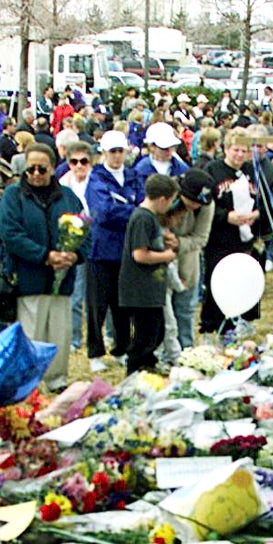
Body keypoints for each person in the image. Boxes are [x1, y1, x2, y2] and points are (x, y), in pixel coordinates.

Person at [0, 141, 84, 390]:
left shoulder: (67, 197)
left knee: (59, 332)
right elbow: (11, 234)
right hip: (30, 278)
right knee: (31, 334)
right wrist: (44, 256)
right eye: (31, 169)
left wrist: (75, 256)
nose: (36, 174)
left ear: (52, 169)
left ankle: (57, 379)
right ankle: (28, 385)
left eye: (42, 169)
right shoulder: (13, 196)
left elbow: (84, 231)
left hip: (62, 279)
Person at [86, 129, 145, 366]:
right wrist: (132, 211)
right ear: (104, 153)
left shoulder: (132, 176)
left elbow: (143, 204)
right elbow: (103, 212)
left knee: (123, 303)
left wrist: (126, 209)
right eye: (113, 152)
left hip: (127, 248)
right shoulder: (96, 178)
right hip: (101, 251)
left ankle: (122, 347)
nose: (117, 156)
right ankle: (95, 352)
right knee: (97, 305)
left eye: (120, 151)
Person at [201, 129, 268, 332]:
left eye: (244, 150)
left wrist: (257, 214)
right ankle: (211, 326)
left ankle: (244, 321)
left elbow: (264, 199)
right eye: (235, 150)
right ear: (226, 149)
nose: (239, 155)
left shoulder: (252, 171)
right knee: (218, 284)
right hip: (221, 239)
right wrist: (225, 217)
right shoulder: (213, 170)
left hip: (247, 238)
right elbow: (205, 204)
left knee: (246, 282)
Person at [119, 174, 179, 375]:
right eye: (170, 201)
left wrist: (163, 239)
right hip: (140, 290)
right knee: (145, 337)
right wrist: (166, 255)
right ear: (162, 198)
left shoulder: (149, 218)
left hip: (151, 290)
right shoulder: (143, 217)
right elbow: (140, 254)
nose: (170, 206)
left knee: (157, 332)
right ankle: (135, 371)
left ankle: (148, 367)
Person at [162, 169, 214, 359]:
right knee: (164, 313)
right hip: (160, 261)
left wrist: (179, 243)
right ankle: (164, 353)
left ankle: (187, 354)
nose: (196, 205)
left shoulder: (206, 205)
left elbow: (201, 238)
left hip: (187, 262)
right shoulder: (166, 197)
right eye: (193, 201)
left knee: (185, 311)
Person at [59, 140, 94, 349]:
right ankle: (74, 338)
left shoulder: (97, 182)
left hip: (97, 241)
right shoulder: (63, 184)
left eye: (84, 161)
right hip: (75, 242)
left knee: (97, 296)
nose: (79, 165)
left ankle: (102, 335)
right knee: (76, 293)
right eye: (74, 161)